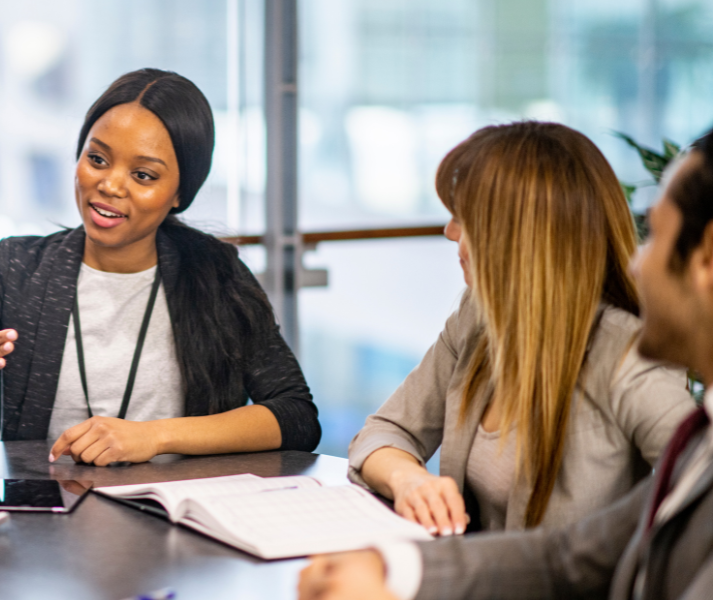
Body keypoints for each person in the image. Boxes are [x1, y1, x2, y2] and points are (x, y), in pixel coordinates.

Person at [297, 128, 713, 600]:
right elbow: (564, 557)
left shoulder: (629, 359)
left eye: (655, 234)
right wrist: (396, 547)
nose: (450, 231)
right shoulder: (478, 320)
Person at [0, 68, 320, 465]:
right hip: (47, 518)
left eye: (142, 175)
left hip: (180, 514)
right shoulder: (14, 270)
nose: (110, 185)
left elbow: (296, 416)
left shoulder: (216, 273)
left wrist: (154, 436)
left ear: (180, 193)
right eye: (98, 159)